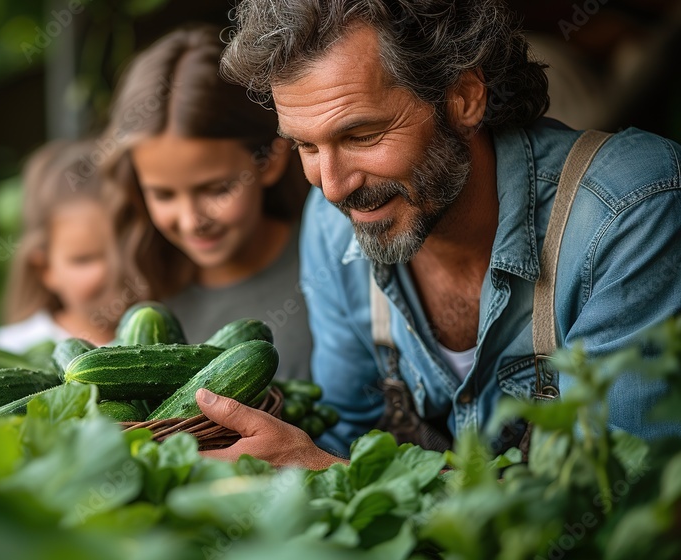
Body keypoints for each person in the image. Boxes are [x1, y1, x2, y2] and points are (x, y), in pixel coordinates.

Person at [190, 0, 681, 468]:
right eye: (305, 146)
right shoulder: (329, 226)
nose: (333, 187)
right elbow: (345, 434)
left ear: (464, 97)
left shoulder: (630, 212)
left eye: (362, 136)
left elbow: (613, 496)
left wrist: (319, 469)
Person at [101, 25, 313, 381]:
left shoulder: (329, 267)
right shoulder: (140, 283)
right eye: (163, 194)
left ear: (270, 161)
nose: (190, 220)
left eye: (216, 189)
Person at [0, 140, 123, 380]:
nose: (115, 270)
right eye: (85, 259)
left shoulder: (167, 335)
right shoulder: (16, 345)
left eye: (126, 252)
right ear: (45, 269)